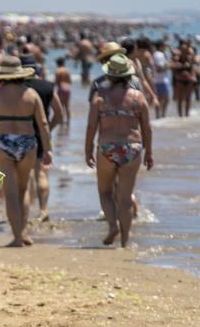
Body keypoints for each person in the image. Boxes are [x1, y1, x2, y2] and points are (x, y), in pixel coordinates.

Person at [0, 56, 52, 247]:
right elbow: (43, 123)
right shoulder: (31, 94)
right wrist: (48, 149)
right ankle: (24, 232)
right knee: (24, 189)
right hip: (27, 141)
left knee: (9, 193)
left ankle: (17, 237)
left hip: (1, 142)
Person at [85, 54, 153, 249]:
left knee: (105, 191)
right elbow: (147, 128)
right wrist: (149, 153)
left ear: (110, 75)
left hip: (107, 147)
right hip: (131, 148)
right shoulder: (138, 97)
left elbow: (91, 127)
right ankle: (125, 241)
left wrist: (88, 150)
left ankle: (113, 225)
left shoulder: (100, 97)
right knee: (125, 197)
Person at [20, 53, 63, 223]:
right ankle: (43, 210)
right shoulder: (47, 86)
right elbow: (59, 114)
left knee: (27, 174)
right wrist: (48, 129)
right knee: (42, 174)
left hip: (22, 132)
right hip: (41, 132)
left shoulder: (18, 87)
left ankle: (26, 212)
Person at [171, 40, 196, 117]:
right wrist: (181, 66)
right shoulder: (177, 57)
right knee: (180, 99)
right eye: (183, 49)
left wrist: (193, 76)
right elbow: (172, 66)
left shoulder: (190, 57)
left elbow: (193, 68)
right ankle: (180, 115)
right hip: (180, 80)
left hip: (189, 80)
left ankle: (187, 114)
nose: (184, 51)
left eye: (186, 49)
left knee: (188, 99)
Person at [152, 40, 170, 118]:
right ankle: (161, 116)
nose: (165, 47)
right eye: (164, 45)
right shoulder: (159, 55)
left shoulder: (157, 54)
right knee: (165, 99)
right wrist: (168, 66)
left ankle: (159, 116)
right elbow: (159, 69)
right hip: (161, 80)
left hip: (159, 80)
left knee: (161, 99)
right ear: (161, 46)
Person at [54, 56, 72, 126]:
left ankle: (61, 121)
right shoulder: (67, 70)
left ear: (57, 63)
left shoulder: (58, 71)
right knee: (67, 106)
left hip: (61, 89)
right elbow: (70, 81)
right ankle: (68, 122)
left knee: (60, 106)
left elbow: (56, 82)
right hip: (67, 89)